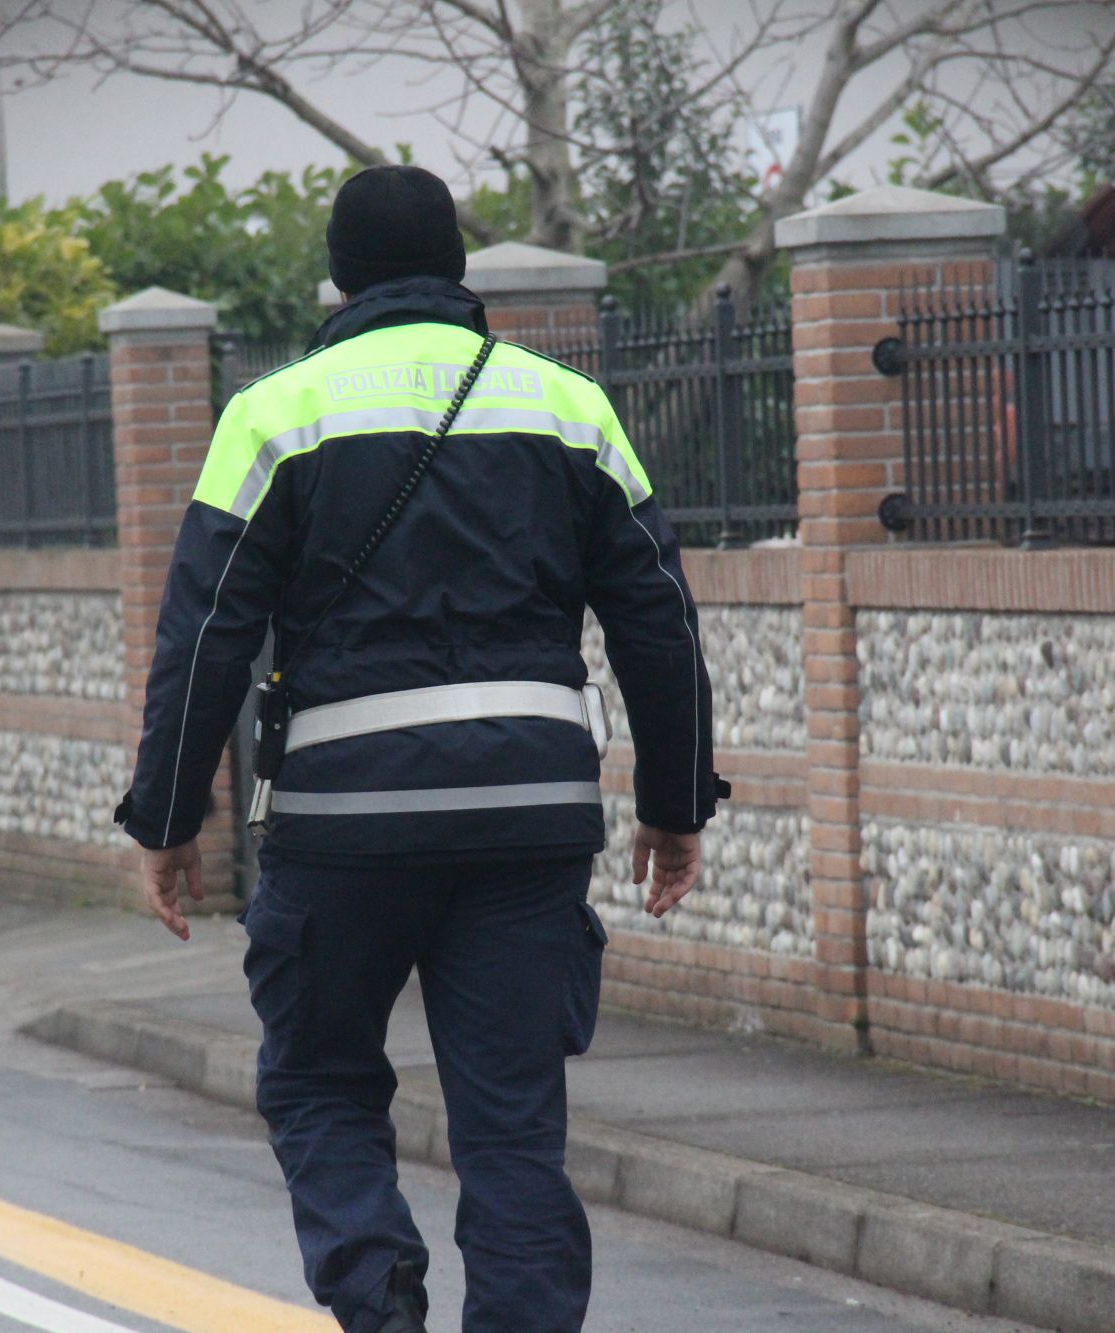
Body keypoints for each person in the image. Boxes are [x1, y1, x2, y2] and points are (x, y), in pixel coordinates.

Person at [113, 163, 722, 1333]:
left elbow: (205, 636)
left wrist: (165, 816)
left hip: (344, 823)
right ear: (456, 270)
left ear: (337, 276)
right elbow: (657, 613)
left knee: (318, 1077)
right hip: (528, 811)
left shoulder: (273, 414)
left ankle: (377, 1290)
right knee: (512, 1125)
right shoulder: (566, 407)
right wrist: (675, 799)